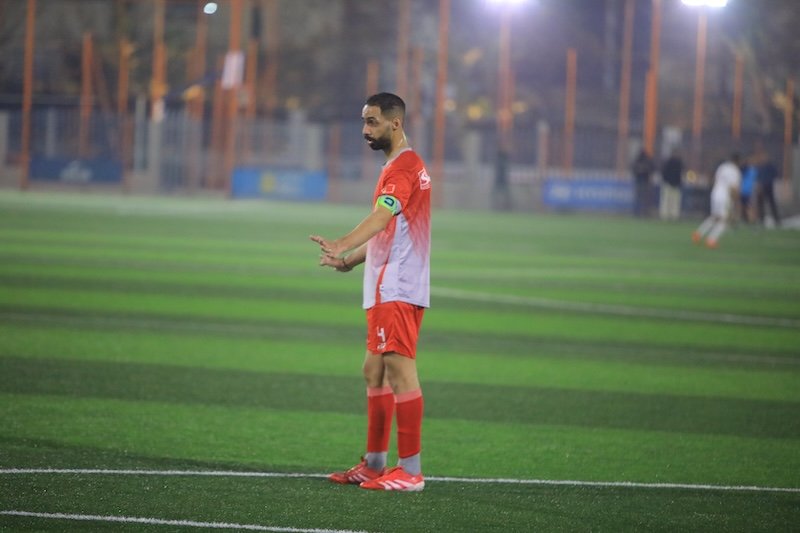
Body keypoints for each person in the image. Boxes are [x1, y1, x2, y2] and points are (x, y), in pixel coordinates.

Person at [310, 93, 430, 492]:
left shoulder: (403, 169)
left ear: (395, 123)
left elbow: (381, 218)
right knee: (374, 369)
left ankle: (410, 471)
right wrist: (350, 261)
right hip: (385, 283)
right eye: (364, 121)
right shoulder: (398, 166)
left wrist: (342, 242)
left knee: (399, 370)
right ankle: (375, 463)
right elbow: (390, 229)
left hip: (398, 285)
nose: (365, 129)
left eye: (373, 122)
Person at [692, 153, 742, 248]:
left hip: (715, 193)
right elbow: (733, 188)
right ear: (738, 162)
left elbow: (715, 179)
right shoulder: (735, 171)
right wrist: (735, 201)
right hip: (725, 196)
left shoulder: (722, 167)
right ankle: (712, 239)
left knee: (715, 217)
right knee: (724, 220)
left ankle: (698, 234)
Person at [755, 149, 782, 227]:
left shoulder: (770, 166)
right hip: (761, 188)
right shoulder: (760, 167)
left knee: (772, 204)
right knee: (761, 204)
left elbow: (775, 175)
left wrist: (768, 181)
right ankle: (761, 220)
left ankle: (777, 220)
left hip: (769, 187)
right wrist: (758, 185)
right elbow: (757, 177)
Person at [659, 149, 684, 220]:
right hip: (671, 184)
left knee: (671, 200)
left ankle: (670, 214)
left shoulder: (671, 162)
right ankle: (668, 214)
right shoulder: (677, 163)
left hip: (672, 184)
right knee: (670, 200)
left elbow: (664, 173)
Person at [631, 149, 655, 217]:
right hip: (642, 181)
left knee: (641, 198)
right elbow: (634, 169)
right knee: (642, 198)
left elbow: (652, 168)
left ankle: (641, 211)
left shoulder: (641, 160)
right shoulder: (644, 160)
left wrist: (643, 169)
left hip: (644, 181)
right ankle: (641, 211)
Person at [738, 156, 758, 223]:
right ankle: (745, 219)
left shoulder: (754, 170)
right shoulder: (743, 170)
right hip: (742, 191)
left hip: (750, 191)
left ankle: (752, 219)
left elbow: (755, 181)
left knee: (749, 206)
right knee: (743, 206)